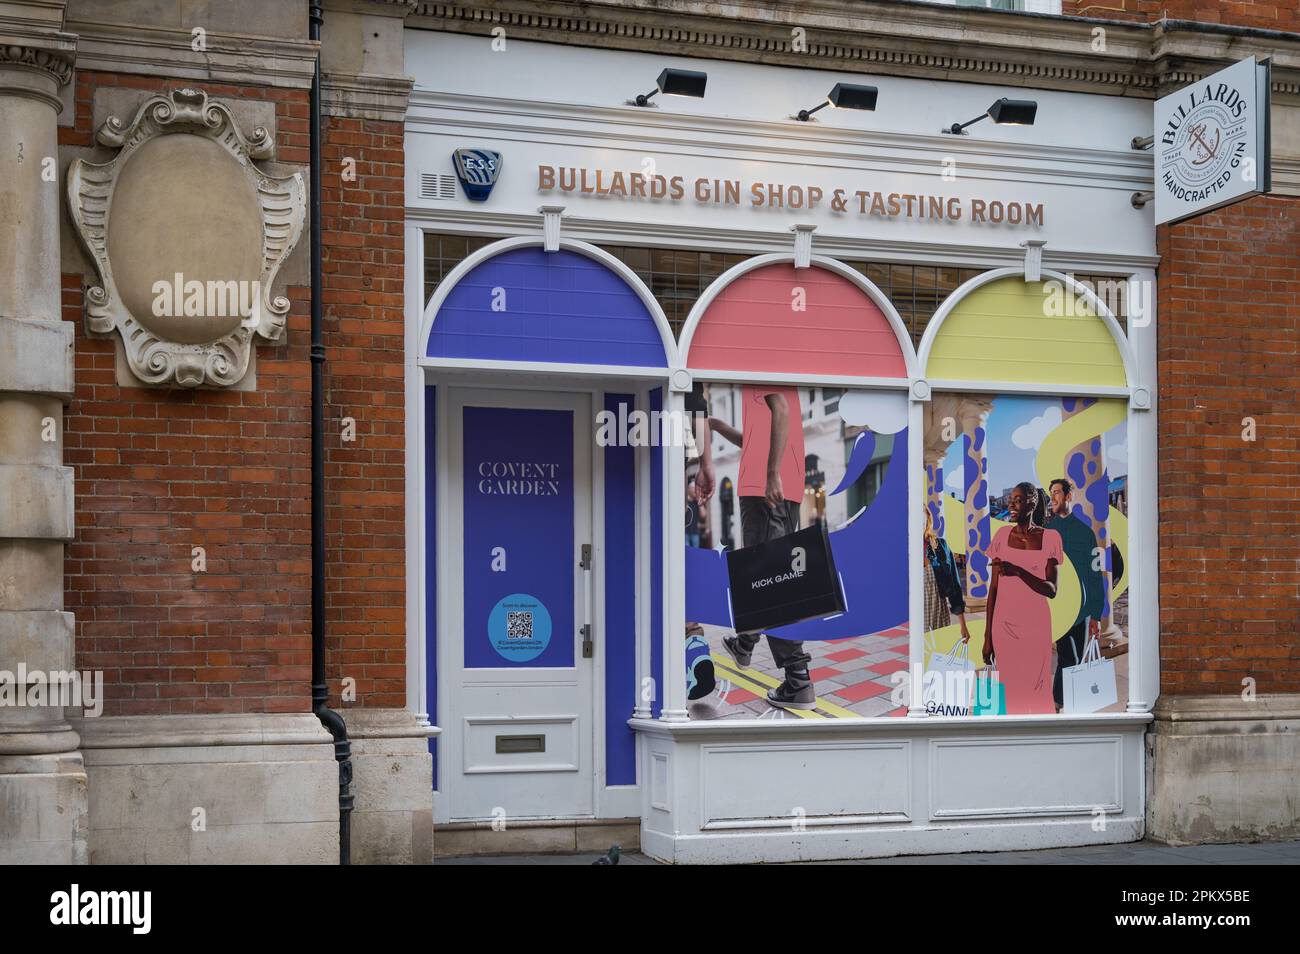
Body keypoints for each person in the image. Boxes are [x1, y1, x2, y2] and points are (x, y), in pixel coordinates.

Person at [710, 386, 815, 710]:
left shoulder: (758, 364)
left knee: (770, 584)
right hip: (779, 487)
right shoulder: (765, 375)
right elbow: (754, 440)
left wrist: (771, 474)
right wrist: (716, 425)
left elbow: (780, 410)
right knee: (766, 578)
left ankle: (797, 680)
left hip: (764, 489)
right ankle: (746, 642)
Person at [983, 482, 1061, 714]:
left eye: (1017, 500)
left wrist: (1018, 571)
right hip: (1004, 625)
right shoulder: (1001, 535)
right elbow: (993, 591)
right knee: (1009, 687)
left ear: (1032, 502)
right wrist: (987, 636)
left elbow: (1052, 590)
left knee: (1037, 686)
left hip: (1036, 626)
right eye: (1010, 500)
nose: (1011, 505)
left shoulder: (1051, 538)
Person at [1046, 478, 1103, 712]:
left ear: (1069, 496)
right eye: (1051, 493)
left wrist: (1096, 615)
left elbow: (1094, 575)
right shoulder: (1047, 533)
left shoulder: (1085, 533)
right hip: (1057, 606)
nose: (1053, 497)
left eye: (1057, 492)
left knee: (1075, 659)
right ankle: (1059, 702)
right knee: (1067, 657)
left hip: (1080, 610)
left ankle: (1062, 702)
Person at [924, 505, 970, 642]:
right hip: (911, 626)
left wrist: (963, 625)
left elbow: (954, 585)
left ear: (928, 520)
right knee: (916, 663)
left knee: (938, 660)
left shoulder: (941, 547)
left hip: (939, 620)